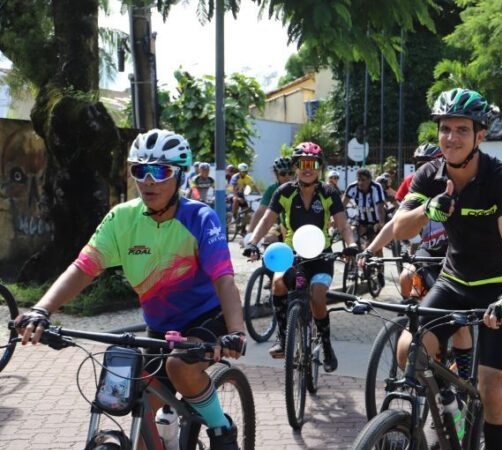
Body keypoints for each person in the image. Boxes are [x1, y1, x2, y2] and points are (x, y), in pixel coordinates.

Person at [14, 129, 245, 450]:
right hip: (160, 329)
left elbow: (223, 278)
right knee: (139, 415)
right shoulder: (121, 219)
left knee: (179, 366)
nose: (148, 181)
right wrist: (42, 310)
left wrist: (236, 331)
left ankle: (222, 428)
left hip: (207, 318)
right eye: (140, 170)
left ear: (180, 176)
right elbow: (83, 268)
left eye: (160, 172)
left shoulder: (201, 217)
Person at [392, 88, 502, 449]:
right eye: (445, 129)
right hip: (454, 281)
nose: (451, 137)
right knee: (408, 351)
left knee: (493, 387)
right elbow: (399, 227)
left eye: (462, 130)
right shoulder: (429, 175)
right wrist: (427, 211)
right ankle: (450, 404)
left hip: (499, 287)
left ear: (480, 135)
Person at [244, 142, 359, 371]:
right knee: (278, 284)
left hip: (321, 254)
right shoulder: (284, 191)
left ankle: (326, 346)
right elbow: (267, 219)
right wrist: (253, 243)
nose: (308, 169)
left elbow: (343, 224)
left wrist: (352, 244)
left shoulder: (328, 193)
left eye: (313, 164)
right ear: (296, 166)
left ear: (319, 167)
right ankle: (283, 338)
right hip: (291, 253)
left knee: (317, 297)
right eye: (303, 164)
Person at [245, 156, 294, 245]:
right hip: (283, 227)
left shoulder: (301, 187)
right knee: (269, 239)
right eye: (283, 173)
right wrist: (249, 235)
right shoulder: (272, 189)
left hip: (301, 229)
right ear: (276, 174)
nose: (287, 176)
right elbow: (260, 213)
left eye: (290, 173)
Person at [343, 168, 387, 244]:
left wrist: (381, 222)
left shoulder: (376, 187)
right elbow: (342, 205)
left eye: (363, 180)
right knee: (352, 233)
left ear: (369, 180)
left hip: (375, 220)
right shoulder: (352, 187)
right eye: (358, 180)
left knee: (375, 246)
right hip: (361, 219)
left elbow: (380, 207)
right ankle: (354, 251)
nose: (360, 183)